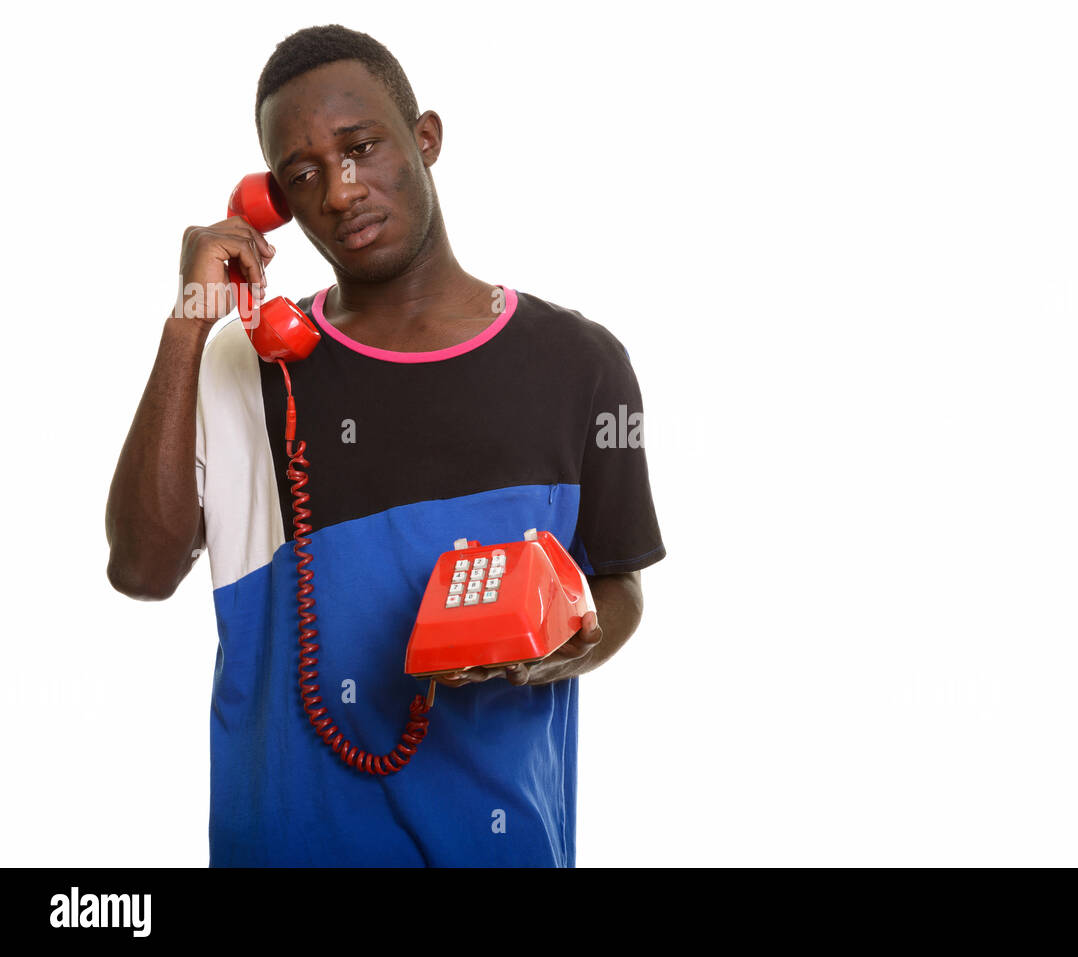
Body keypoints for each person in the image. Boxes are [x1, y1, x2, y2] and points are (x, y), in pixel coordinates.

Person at [104, 24, 665, 867]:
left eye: (361, 147)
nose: (340, 190)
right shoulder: (243, 366)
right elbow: (140, 571)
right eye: (302, 175)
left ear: (426, 138)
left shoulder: (580, 363)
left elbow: (618, 583)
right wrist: (188, 322)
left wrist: (563, 645)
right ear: (275, 205)